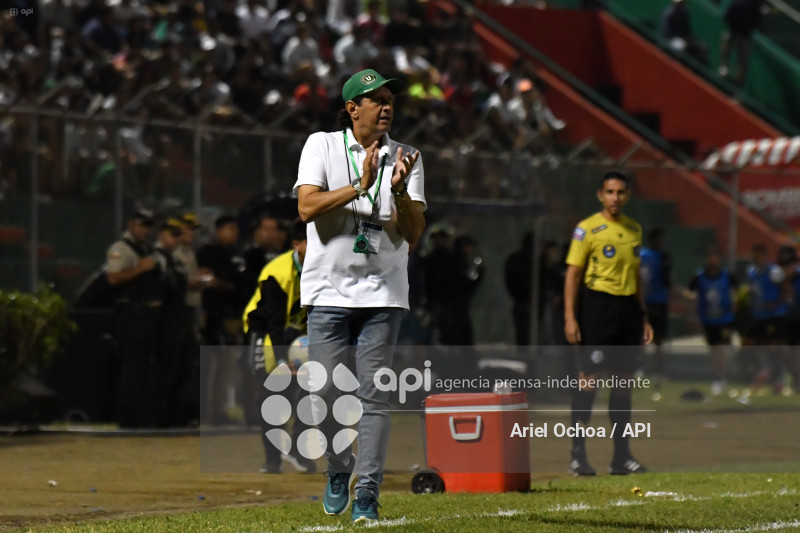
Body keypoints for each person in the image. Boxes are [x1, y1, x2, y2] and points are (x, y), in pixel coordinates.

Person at [294, 68, 426, 523]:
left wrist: (400, 193)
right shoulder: (322, 145)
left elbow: (414, 234)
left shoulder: (408, 156)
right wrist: (360, 186)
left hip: (383, 293)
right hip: (327, 290)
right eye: (377, 99)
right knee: (325, 392)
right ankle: (338, 466)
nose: (387, 107)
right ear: (353, 108)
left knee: (374, 397)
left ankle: (367, 491)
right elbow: (306, 207)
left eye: (390, 99)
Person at [563, 171, 653, 476]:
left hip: (627, 310)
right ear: (600, 195)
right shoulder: (587, 229)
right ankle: (577, 455)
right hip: (598, 307)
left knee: (623, 385)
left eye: (621, 192)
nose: (615, 198)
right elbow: (573, 274)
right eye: (610, 192)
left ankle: (621, 457)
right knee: (589, 380)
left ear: (628, 195)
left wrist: (643, 316)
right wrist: (570, 317)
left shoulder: (634, 229)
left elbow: (636, 275)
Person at [242, 219, 316, 474]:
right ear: (297, 245)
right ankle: (272, 458)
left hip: (299, 334)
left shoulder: (324, 266)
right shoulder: (277, 273)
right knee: (273, 396)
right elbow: (274, 322)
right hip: (266, 332)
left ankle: (298, 451)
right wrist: (285, 361)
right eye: (312, 242)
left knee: (312, 394)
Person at [105, 208, 162, 428]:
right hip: (131, 314)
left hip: (147, 315)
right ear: (131, 224)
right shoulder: (121, 249)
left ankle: (141, 414)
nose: (145, 230)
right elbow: (113, 278)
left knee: (145, 367)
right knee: (132, 366)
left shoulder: (146, 249)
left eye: (148, 226)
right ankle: (128, 418)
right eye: (142, 225)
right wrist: (140, 269)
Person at [197, 215, 245, 425]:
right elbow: (207, 281)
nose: (234, 233)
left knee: (226, 365)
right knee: (212, 364)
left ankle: (219, 409)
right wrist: (226, 286)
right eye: (230, 228)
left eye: (235, 229)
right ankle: (208, 411)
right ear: (219, 230)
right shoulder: (208, 252)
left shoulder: (235, 253)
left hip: (231, 314)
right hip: (213, 314)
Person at [686, 247, 739, 396]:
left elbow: (735, 291)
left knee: (720, 347)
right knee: (714, 349)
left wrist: (734, 305)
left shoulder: (727, 276)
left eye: (715, 257)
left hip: (724, 319)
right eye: (710, 257)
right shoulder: (699, 277)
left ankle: (721, 377)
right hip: (708, 320)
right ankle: (718, 375)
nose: (712, 260)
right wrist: (692, 314)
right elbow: (691, 293)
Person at [152, 219, 190, 426]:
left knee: (179, 368)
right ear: (161, 234)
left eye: (178, 235)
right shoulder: (156, 257)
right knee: (163, 368)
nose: (176, 240)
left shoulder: (174, 259)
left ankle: (174, 413)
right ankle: (159, 414)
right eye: (172, 235)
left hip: (177, 318)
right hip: (163, 320)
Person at [742, 243, 788, 391]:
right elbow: (753, 288)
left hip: (775, 315)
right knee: (747, 346)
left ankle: (778, 378)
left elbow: (786, 290)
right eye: (754, 255)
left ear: (765, 256)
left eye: (759, 256)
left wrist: (776, 303)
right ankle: (762, 370)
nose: (756, 258)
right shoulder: (751, 271)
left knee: (773, 347)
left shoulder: (775, 272)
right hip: (759, 315)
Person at [639, 228, 671, 380]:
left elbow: (668, 280)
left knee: (659, 339)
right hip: (645, 302)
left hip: (660, 301)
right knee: (641, 337)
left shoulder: (664, 257)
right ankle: (639, 367)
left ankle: (658, 370)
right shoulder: (643, 255)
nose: (660, 242)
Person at [719, 0, 766, 85]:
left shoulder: (758, 4)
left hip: (745, 37)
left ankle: (739, 81)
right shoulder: (738, 3)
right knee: (726, 40)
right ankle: (724, 67)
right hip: (733, 32)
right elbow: (727, 16)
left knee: (743, 59)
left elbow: (759, 19)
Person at [504, 232, 534, 345]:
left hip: (521, 301)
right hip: (523, 301)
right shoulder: (526, 260)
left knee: (523, 333)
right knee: (524, 332)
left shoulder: (515, 259)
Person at [661, 0, 708, 64]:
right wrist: (682, 39)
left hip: (684, 39)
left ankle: (693, 67)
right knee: (681, 46)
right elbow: (667, 32)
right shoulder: (669, 15)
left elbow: (688, 31)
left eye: (682, 3)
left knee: (703, 47)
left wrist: (688, 39)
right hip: (672, 39)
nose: (681, 5)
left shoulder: (684, 14)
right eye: (679, 3)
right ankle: (675, 65)